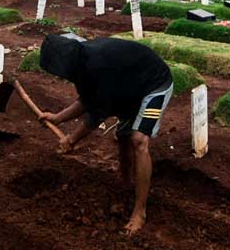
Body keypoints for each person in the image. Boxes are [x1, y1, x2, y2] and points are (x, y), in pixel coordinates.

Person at [38, 34, 173, 236]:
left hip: (154, 86)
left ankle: (139, 211)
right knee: (123, 136)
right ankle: (127, 184)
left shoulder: (98, 68)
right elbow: (88, 100)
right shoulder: (81, 62)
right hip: (129, 88)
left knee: (139, 140)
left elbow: (95, 116)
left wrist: (71, 139)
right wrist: (58, 118)